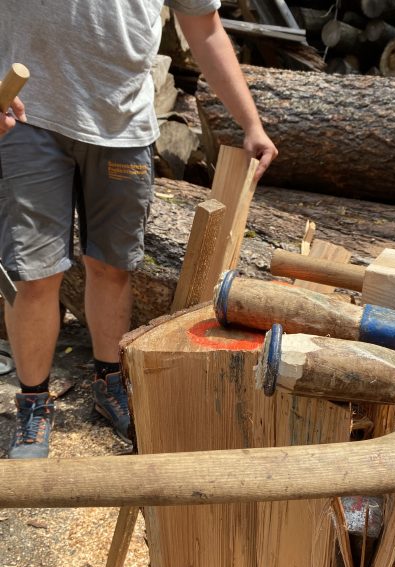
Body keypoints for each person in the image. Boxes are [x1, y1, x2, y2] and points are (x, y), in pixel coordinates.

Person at [0, 1, 277, 459]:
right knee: (34, 274)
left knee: (113, 267)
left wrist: (251, 123)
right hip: (29, 117)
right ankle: (34, 403)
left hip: (123, 125)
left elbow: (203, 27)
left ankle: (110, 382)